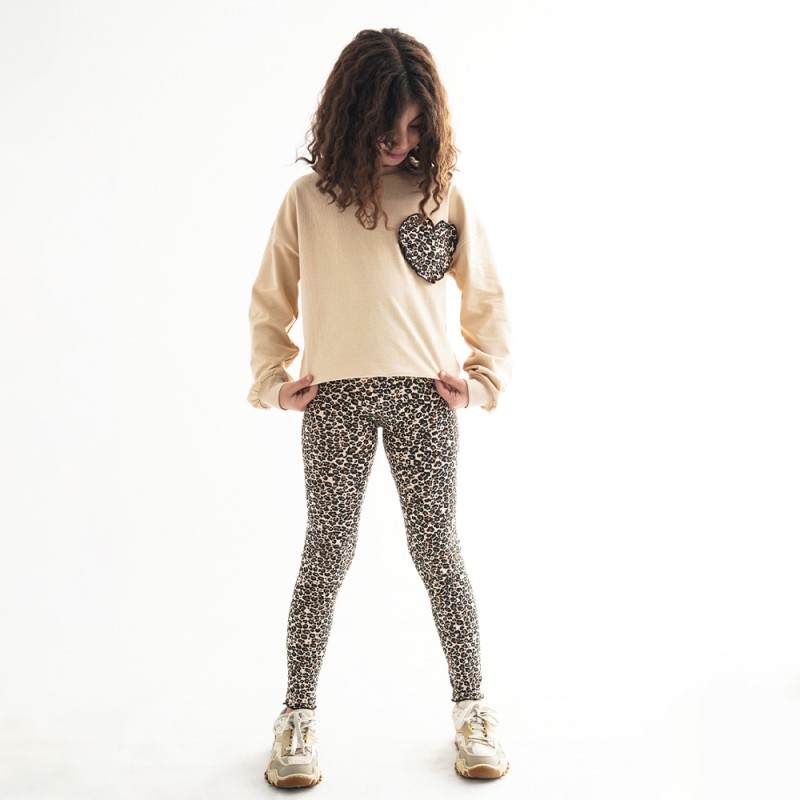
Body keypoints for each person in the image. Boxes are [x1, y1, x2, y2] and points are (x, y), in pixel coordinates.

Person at [247, 27, 512, 787]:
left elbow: (486, 296)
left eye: (415, 127)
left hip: (425, 399)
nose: (401, 143)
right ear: (352, 114)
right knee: (325, 553)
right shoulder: (309, 201)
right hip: (333, 401)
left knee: (438, 551)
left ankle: (473, 708)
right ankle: (297, 715)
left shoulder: (439, 195)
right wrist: (273, 379)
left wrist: (482, 379)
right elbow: (270, 301)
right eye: (386, 127)